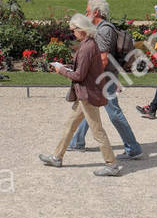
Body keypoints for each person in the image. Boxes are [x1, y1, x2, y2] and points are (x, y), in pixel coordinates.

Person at [37, 13, 123, 177]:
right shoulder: (90, 44)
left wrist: (61, 70)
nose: (73, 33)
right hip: (85, 94)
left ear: (82, 30)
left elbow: (79, 76)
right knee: (70, 125)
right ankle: (57, 156)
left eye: (74, 30)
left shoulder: (86, 48)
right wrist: (67, 67)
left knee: (97, 131)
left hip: (87, 95)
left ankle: (112, 164)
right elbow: (84, 70)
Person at [66, 0, 143, 160]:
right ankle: (77, 141)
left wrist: (91, 76)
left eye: (87, 11)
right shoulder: (98, 28)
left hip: (104, 78)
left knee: (113, 112)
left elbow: (103, 58)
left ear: (96, 12)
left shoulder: (104, 29)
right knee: (88, 106)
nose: (86, 14)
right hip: (104, 76)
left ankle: (133, 147)